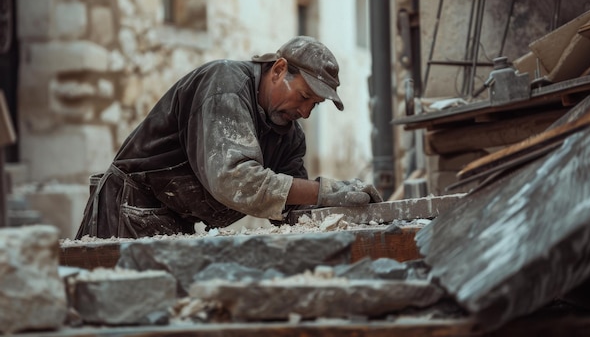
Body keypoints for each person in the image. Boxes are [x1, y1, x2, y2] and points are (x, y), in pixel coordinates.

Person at [75, 36, 383, 239]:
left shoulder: (289, 137)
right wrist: (323, 191)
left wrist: (349, 210)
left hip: (174, 223)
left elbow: (293, 207)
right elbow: (234, 179)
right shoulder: (226, 85)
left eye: (314, 105)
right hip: (127, 212)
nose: (305, 112)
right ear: (278, 70)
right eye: (303, 96)